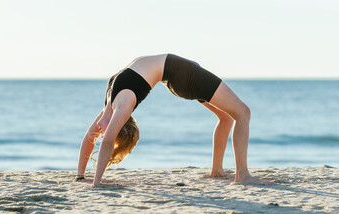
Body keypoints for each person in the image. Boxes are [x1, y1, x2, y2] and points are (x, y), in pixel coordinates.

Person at [76, 53, 272, 186]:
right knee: (243, 113)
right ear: (120, 127)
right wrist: (97, 184)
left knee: (226, 117)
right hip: (181, 74)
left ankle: (217, 170)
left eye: (102, 132)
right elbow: (109, 141)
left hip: (177, 75)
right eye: (106, 132)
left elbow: (88, 139)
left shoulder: (109, 106)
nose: (101, 133)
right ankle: (243, 175)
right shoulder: (123, 103)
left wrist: (80, 176)